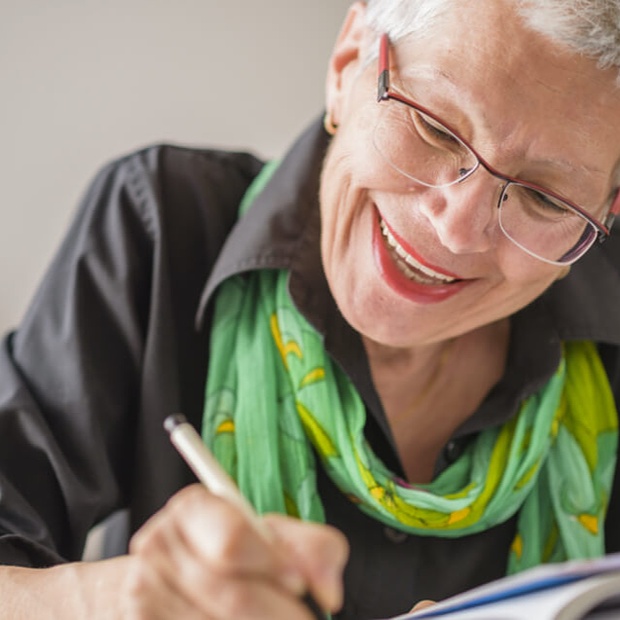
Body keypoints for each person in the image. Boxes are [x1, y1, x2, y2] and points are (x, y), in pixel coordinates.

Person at [1, 0, 620, 618]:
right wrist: (105, 600)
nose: (459, 230)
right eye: (435, 128)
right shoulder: (161, 226)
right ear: (347, 65)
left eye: (544, 198)